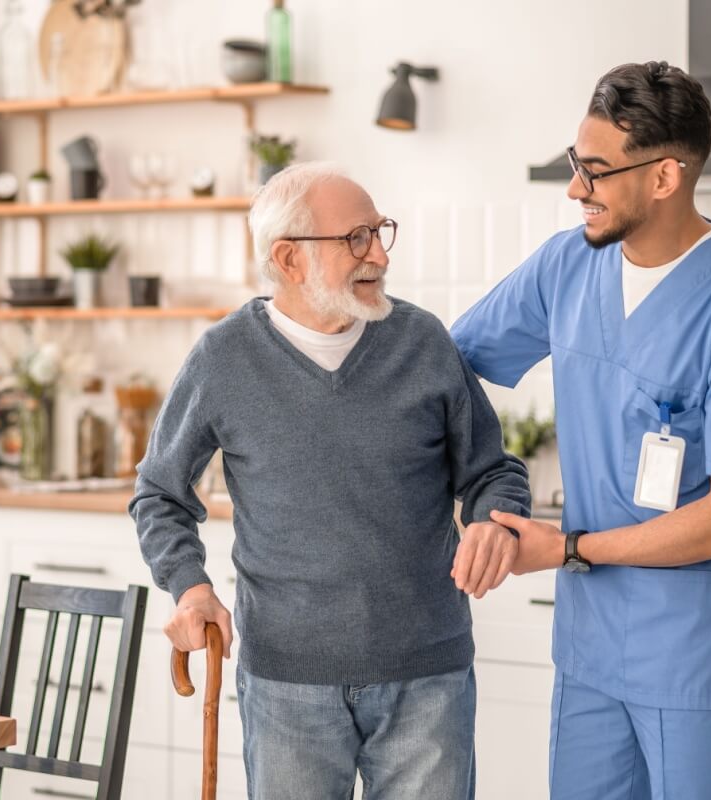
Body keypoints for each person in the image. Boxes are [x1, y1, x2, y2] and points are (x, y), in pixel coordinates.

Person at [451, 61, 711, 799]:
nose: (576, 188)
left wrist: (569, 547)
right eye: (576, 165)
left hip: (694, 656)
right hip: (590, 653)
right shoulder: (566, 268)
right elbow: (446, 366)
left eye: (596, 171)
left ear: (665, 177)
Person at [130, 162, 531, 799]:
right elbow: (159, 494)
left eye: (379, 232)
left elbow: (492, 470)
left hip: (428, 674)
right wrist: (189, 586)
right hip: (287, 681)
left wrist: (493, 517)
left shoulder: (422, 341)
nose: (378, 254)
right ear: (288, 259)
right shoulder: (223, 358)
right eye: (356, 238)